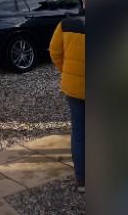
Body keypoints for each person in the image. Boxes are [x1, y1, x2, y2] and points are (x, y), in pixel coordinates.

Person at [50, 15, 85, 193]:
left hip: (74, 90)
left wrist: (66, 71)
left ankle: (82, 181)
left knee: (79, 133)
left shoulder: (66, 24)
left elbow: (54, 51)